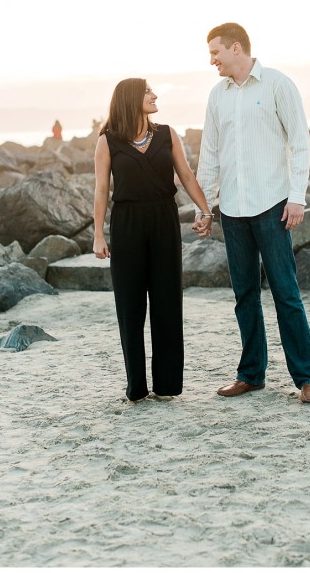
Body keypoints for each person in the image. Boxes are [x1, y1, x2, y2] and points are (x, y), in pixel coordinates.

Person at [193, 23, 310, 404]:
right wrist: (204, 207)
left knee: (286, 292)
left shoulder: (278, 84)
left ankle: (307, 379)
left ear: (237, 48)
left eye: (215, 52)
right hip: (232, 210)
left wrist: (297, 197)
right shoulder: (217, 96)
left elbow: (300, 143)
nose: (211, 60)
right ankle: (251, 374)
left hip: (273, 206)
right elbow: (210, 153)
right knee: (244, 294)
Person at [93, 78, 213, 404]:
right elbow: (102, 190)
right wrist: (98, 234)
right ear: (131, 98)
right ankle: (136, 387)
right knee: (130, 307)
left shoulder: (166, 134)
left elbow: (186, 176)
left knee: (167, 303)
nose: (155, 95)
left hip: (164, 220)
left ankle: (167, 385)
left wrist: (206, 211)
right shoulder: (108, 141)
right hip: (127, 224)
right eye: (148, 91)